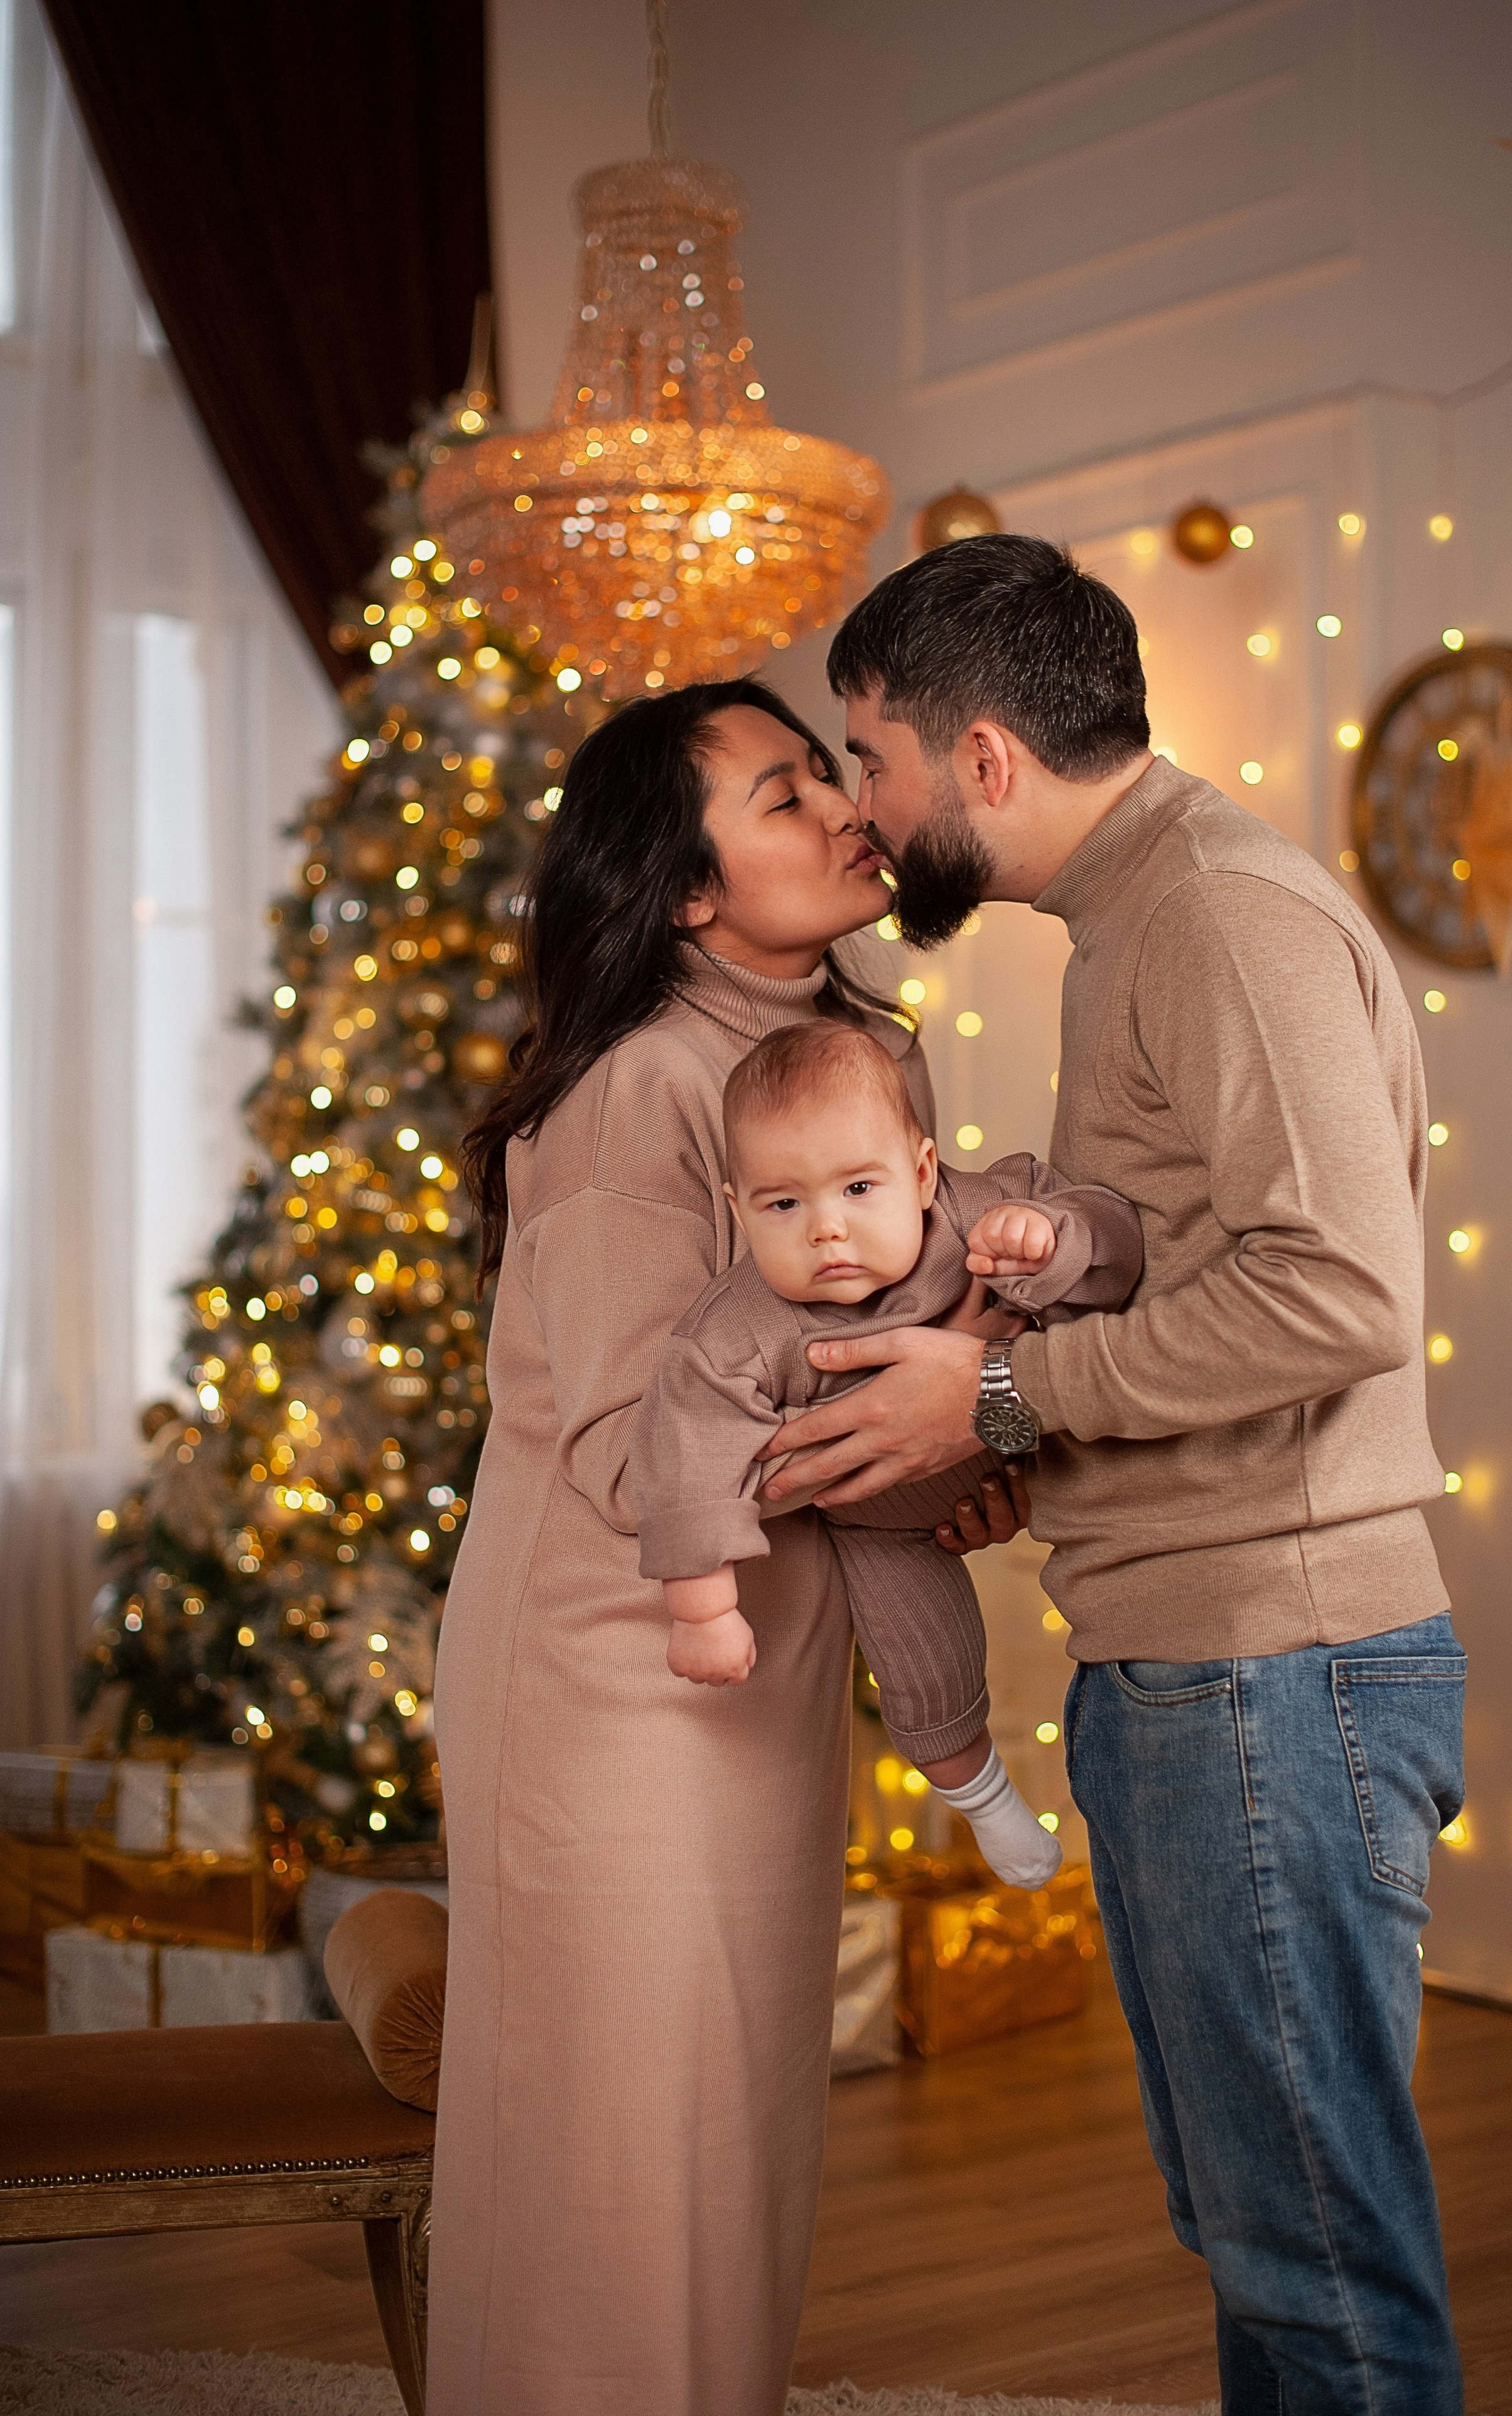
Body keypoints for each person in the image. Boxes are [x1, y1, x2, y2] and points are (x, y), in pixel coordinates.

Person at [761, 534, 1467, 2416]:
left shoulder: (1222, 919)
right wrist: (1017, 1432)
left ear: (984, 762)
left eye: (870, 757)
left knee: (1314, 2261)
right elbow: (1196, 1280)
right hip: (1213, 1661)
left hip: (1271, 1668)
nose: (857, 806)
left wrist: (999, 1401)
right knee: (1263, 2236)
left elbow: (1337, 1298)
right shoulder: (1145, 921)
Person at [426, 676, 1023, 2416]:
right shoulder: (638, 1095)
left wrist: (944, 1453)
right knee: (622, 2163)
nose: (846, 805)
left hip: (754, 1666)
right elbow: (634, 1449)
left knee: (727, 2148)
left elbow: (861, 1358)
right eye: (783, 794)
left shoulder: (836, 1056)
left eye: (830, 771)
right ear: (687, 890)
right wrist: (919, 1433)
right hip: (612, 1681)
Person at [634, 1016, 1142, 1888]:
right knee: (924, 1670)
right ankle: (987, 1802)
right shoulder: (733, 1332)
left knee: (1093, 1412)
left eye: (858, 1190)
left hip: (1039, 1448)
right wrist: (703, 1609)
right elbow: (688, 1461)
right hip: (887, 1528)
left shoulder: (980, 1213)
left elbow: (1122, 1247)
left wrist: (1055, 1240)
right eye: (783, 1204)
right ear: (736, 1209)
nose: (826, 1230)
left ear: (921, 1172)